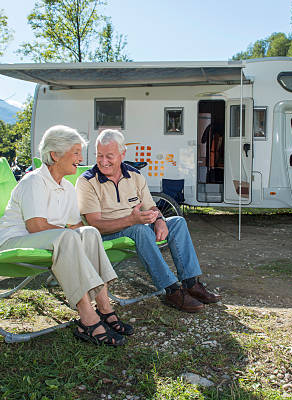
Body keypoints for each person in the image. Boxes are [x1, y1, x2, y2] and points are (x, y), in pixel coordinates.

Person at [0, 125, 132, 347]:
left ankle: (104, 307)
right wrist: (71, 235)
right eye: (75, 152)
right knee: (68, 237)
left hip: (43, 241)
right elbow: (36, 226)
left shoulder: (66, 187)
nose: (80, 158)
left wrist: (88, 230)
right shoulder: (34, 181)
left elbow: (75, 226)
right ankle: (87, 319)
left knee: (90, 233)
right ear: (55, 155)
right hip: (10, 242)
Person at [76, 129, 220, 313]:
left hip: (135, 225)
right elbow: (94, 225)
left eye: (109, 156)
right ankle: (171, 290)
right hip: (107, 235)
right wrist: (131, 220)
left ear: (122, 154)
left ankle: (191, 283)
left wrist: (159, 219)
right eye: (99, 155)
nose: (103, 161)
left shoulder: (134, 175)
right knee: (140, 229)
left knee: (177, 222)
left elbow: (151, 207)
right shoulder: (87, 181)